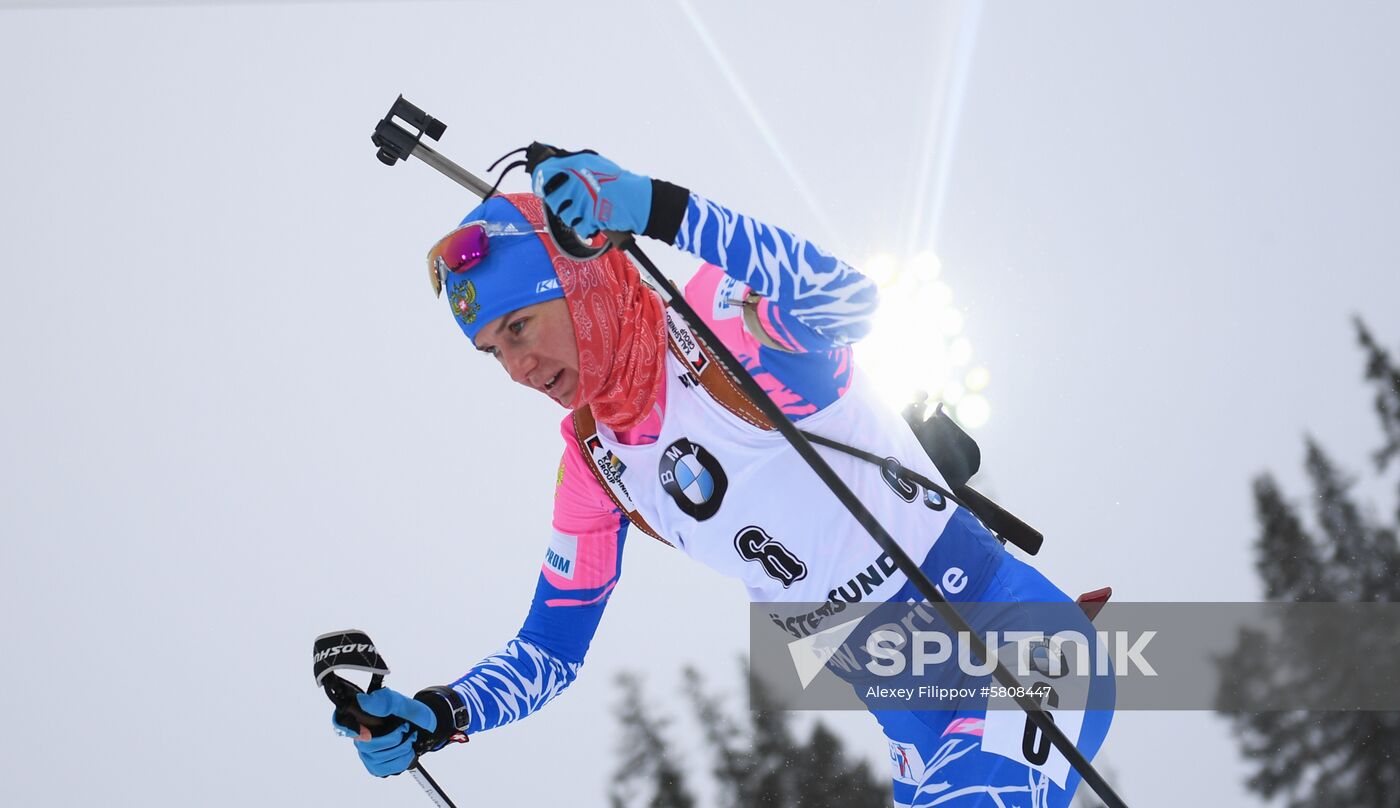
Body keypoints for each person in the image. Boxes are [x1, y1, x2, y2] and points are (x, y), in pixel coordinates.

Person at [333, 149, 1113, 807]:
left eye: (518, 327)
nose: (517, 368)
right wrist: (440, 712)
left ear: (578, 285)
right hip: (915, 727)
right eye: (492, 351)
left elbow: (850, 303)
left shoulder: (719, 323)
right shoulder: (596, 464)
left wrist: (657, 209)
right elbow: (550, 648)